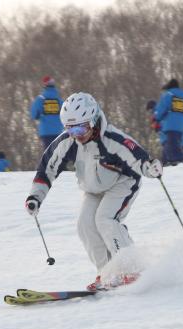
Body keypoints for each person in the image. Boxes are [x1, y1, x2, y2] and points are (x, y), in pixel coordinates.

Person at [24, 92, 163, 291]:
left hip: (123, 182)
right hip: (93, 189)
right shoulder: (67, 142)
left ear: (94, 120)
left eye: (81, 128)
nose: (77, 134)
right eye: (70, 129)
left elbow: (137, 156)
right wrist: (35, 196)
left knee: (105, 219)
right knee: (85, 225)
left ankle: (131, 270)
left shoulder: (112, 139)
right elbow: (47, 169)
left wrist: (150, 168)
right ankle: (107, 273)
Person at [154, 78, 183, 166]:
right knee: (175, 143)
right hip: (181, 124)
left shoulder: (168, 94)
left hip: (170, 123)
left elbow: (162, 108)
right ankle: (173, 161)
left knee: (171, 143)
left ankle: (178, 161)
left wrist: (157, 119)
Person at [30, 75, 64, 151]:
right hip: (58, 131)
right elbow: (65, 114)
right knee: (58, 154)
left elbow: (34, 115)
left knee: (48, 154)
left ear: (44, 85)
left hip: (46, 132)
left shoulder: (41, 99)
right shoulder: (59, 99)